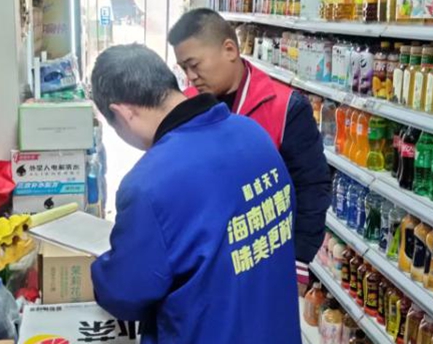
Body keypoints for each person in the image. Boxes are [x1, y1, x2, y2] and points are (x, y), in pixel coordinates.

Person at [90, 44, 301, 344]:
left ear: (122, 113)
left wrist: (101, 269)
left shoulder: (150, 184)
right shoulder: (253, 133)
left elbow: (125, 293)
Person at [168, 8, 331, 289]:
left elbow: (312, 187)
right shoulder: (186, 106)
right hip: (207, 262)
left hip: (267, 260)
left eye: (194, 64)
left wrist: (298, 261)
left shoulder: (286, 107)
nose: (191, 76)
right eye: (184, 68)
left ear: (229, 50)